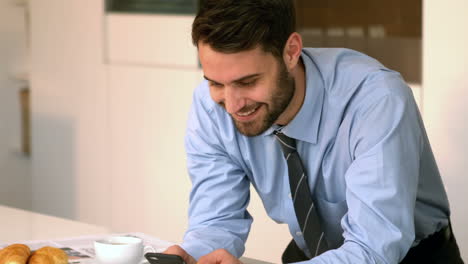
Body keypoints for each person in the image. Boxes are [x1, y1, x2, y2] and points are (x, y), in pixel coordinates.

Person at [164, 0, 464, 263]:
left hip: (407, 257)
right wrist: (195, 255)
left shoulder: (376, 100)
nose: (231, 104)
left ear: (291, 52)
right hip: (313, 254)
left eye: (247, 82)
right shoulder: (209, 105)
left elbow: (373, 250)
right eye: (216, 82)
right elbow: (217, 220)